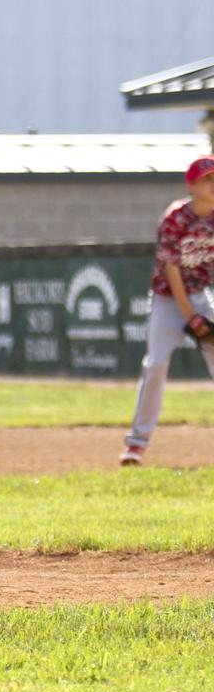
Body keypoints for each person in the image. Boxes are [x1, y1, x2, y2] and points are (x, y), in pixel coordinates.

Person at [120, 155, 214, 466]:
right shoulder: (175, 217)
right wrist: (191, 317)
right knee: (156, 364)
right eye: (208, 180)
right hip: (168, 301)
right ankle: (136, 444)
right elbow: (171, 270)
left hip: (200, 295)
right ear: (191, 185)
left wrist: (204, 313)